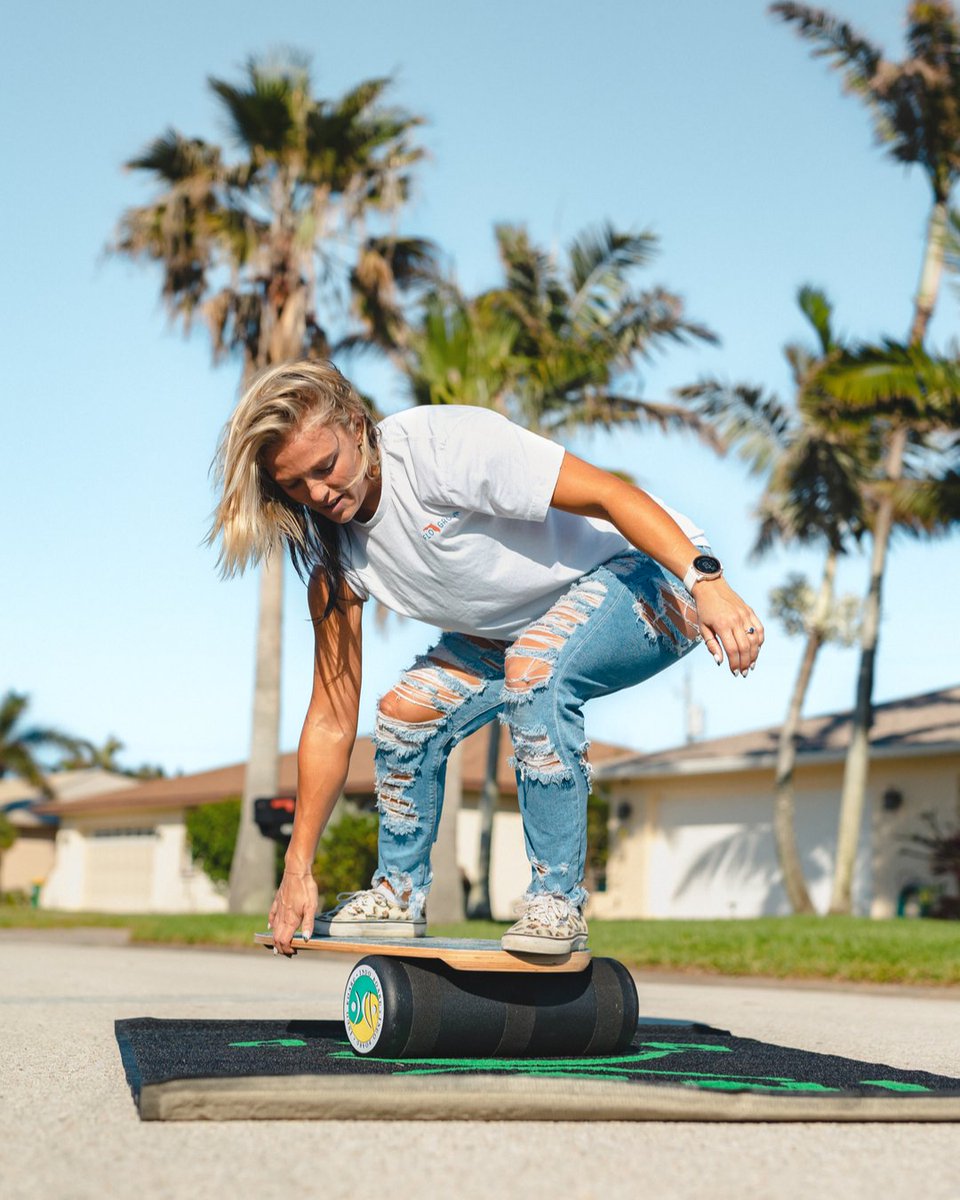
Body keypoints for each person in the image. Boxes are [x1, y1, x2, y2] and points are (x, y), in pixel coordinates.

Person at [209, 359, 763, 958]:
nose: (319, 494)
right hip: (526, 624)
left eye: (326, 467)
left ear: (354, 422)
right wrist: (298, 866)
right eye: (295, 485)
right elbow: (330, 720)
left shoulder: (441, 450)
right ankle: (397, 894)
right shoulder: (336, 563)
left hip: (657, 574)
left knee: (537, 672)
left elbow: (609, 495)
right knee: (403, 715)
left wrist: (706, 581)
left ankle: (557, 900)